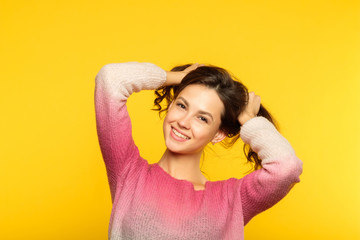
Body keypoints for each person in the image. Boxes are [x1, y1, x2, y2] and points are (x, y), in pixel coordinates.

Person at [94, 61, 303, 240]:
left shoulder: (232, 201)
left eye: (202, 118)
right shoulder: (129, 174)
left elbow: (286, 168)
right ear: (171, 105)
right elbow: (110, 79)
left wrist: (249, 120)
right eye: (182, 106)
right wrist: (178, 77)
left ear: (218, 133)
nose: (183, 122)